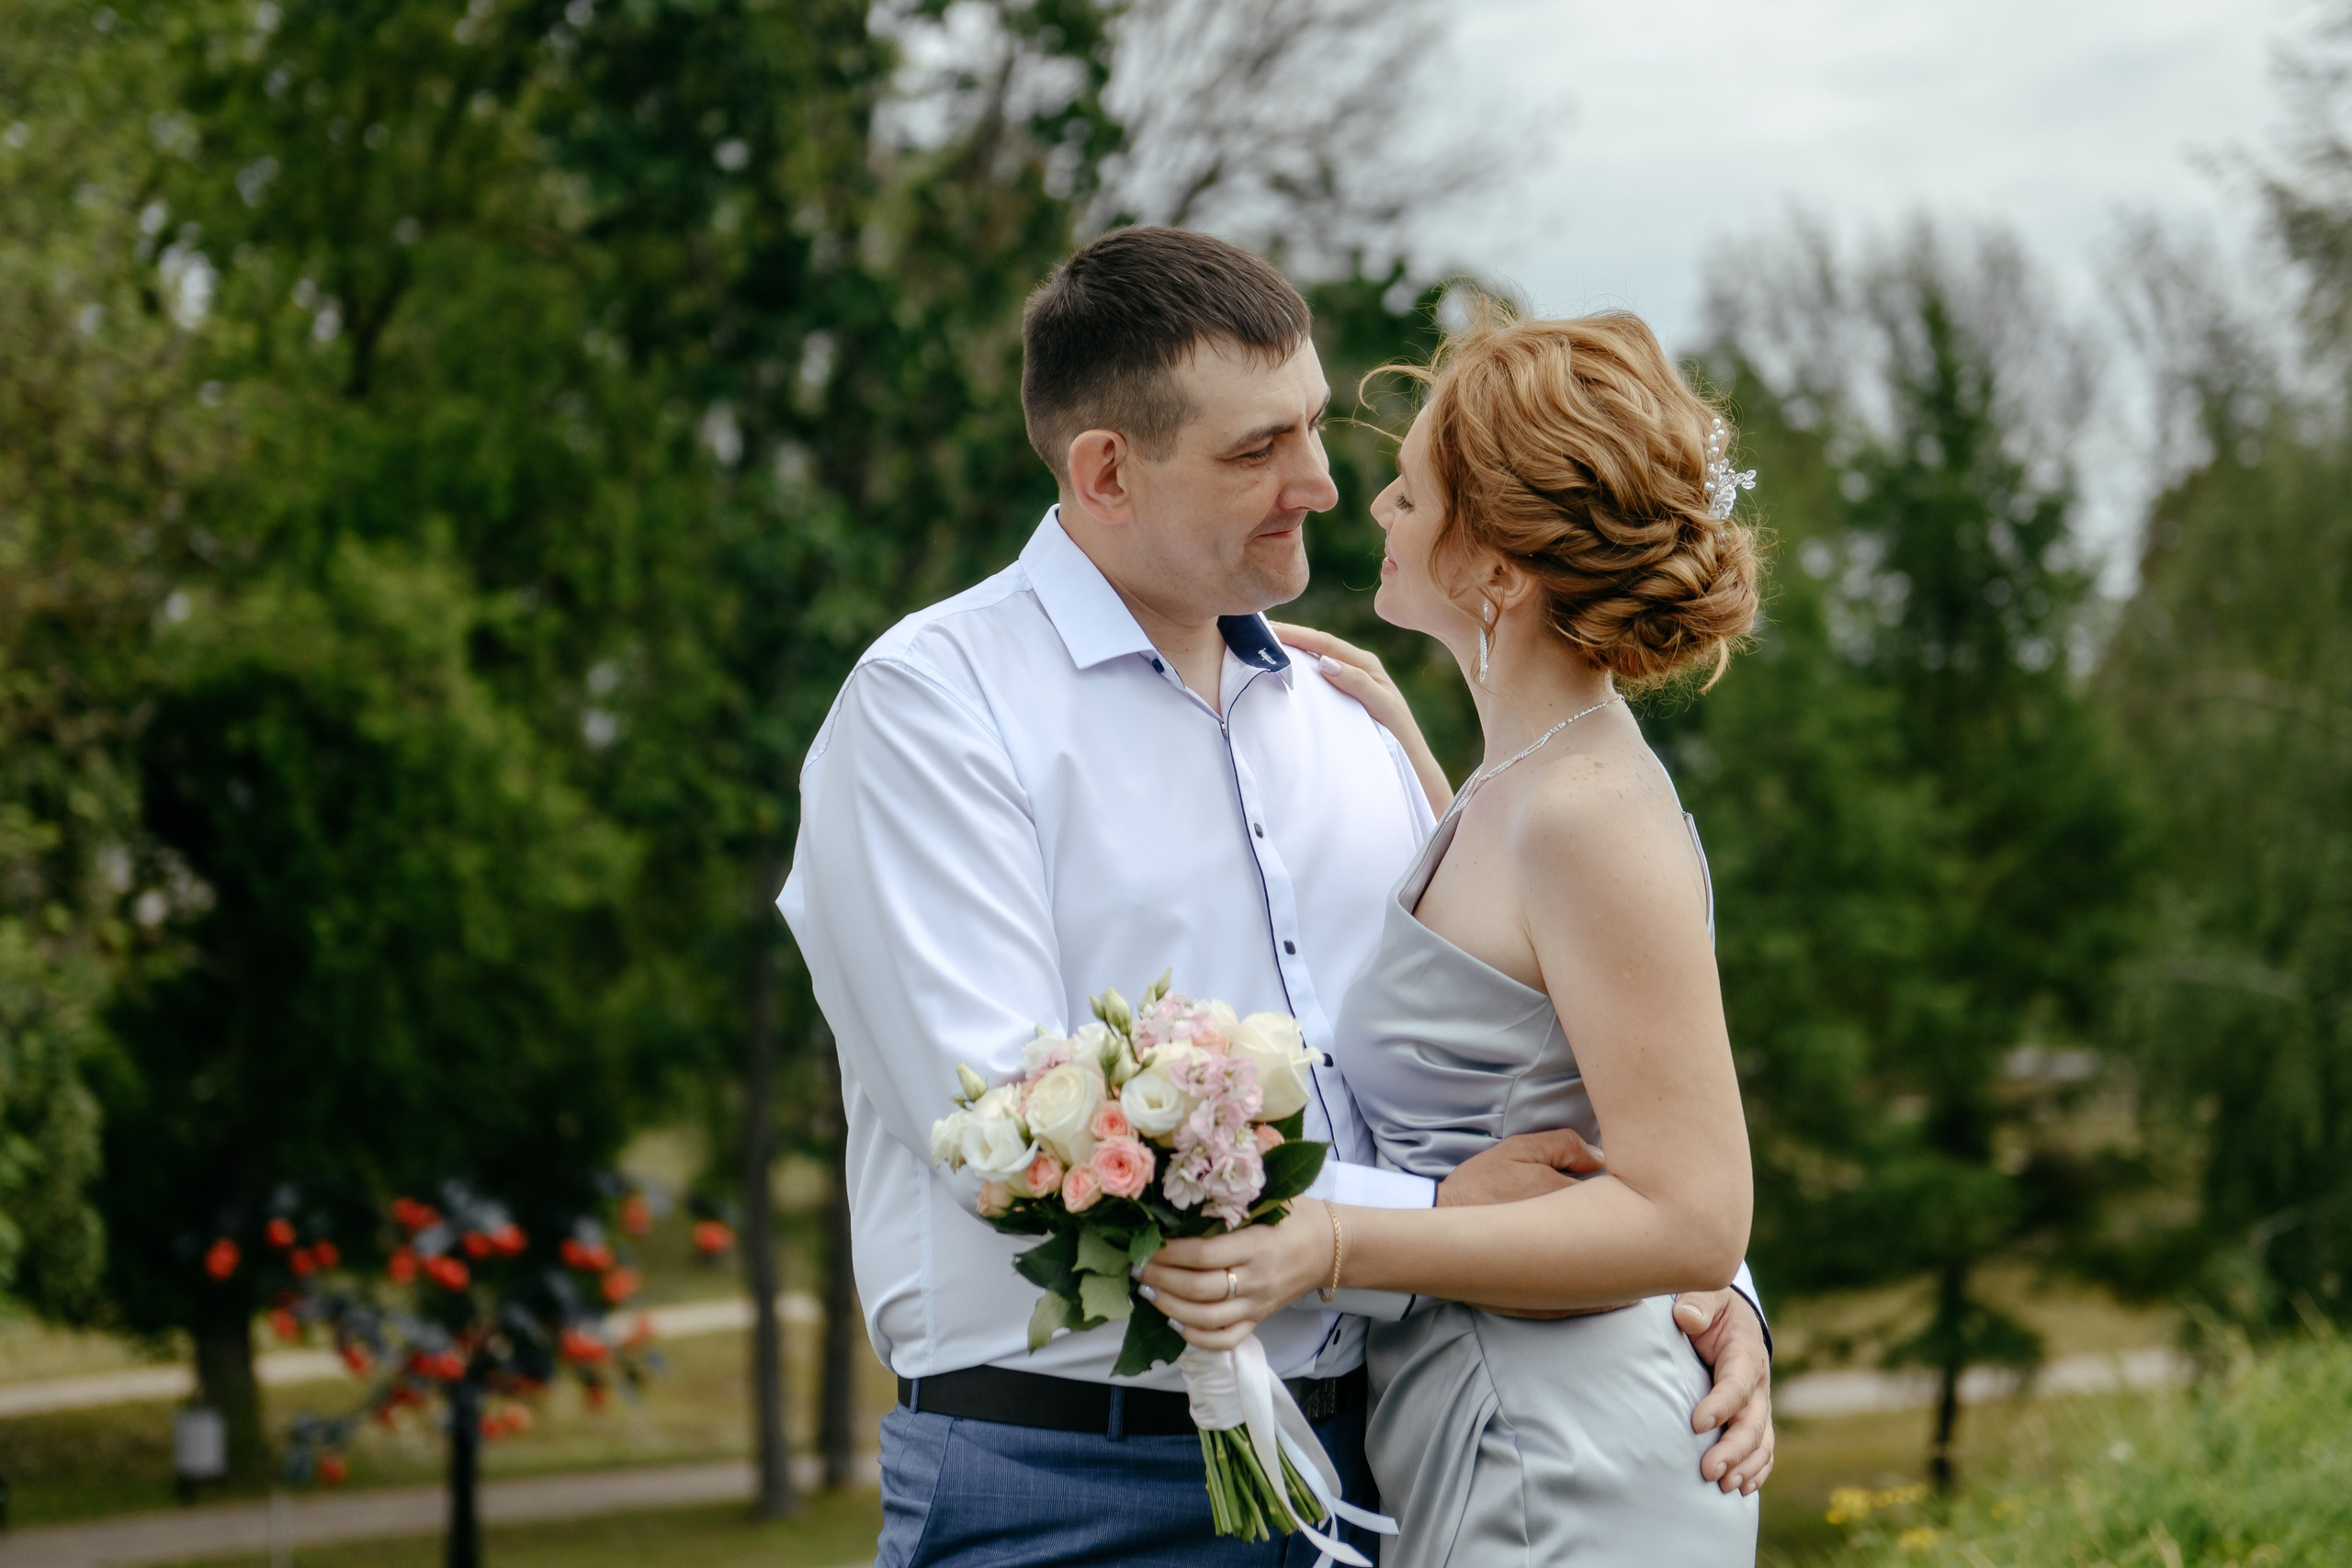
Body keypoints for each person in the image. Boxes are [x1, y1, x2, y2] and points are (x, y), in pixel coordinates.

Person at [779, 226, 1773, 1568]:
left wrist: (1707, 1292)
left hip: (1394, 1470)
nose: (1323, 483)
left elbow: (1584, 1081)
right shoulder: (935, 711)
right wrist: (1424, 1223)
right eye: (1257, 451)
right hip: (1084, 1488)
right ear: (1107, 471)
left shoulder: (1353, 724)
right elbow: (999, 1140)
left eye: (1313, 427)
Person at [1139, 304, 1767, 1564]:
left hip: (1556, 1448)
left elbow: (1698, 1214)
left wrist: (1331, 1241)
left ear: (1499, 569)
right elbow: (1523, 1000)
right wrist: (1417, 756)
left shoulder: (1586, 813)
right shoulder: (1517, 784)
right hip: (1477, 1410)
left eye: (1413, 494)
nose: (1372, 508)